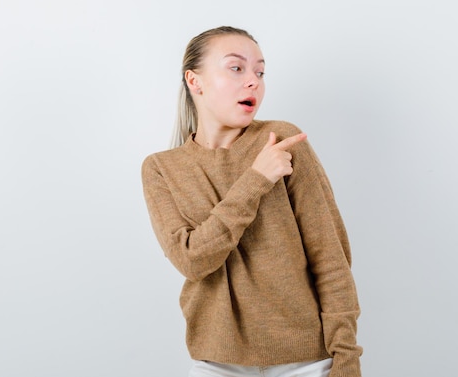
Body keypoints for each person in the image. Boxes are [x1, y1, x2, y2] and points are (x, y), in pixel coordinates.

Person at [141, 26, 362, 377]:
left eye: (260, 72)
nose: (253, 82)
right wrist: (257, 179)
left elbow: (330, 258)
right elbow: (192, 260)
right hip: (216, 361)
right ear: (194, 81)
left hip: (305, 360)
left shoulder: (283, 140)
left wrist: (346, 359)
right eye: (236, 68)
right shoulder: (162, 169)